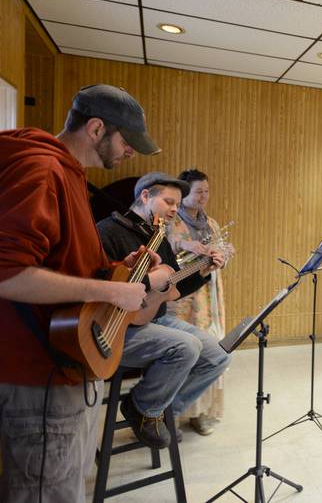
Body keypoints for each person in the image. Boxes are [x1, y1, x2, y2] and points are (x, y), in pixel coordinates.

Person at [0, 84, 161, 502]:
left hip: (61, 361)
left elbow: (61, 265)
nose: (131, 153)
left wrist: (115, 272)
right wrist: (109, 291)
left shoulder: (68, 174)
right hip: (36, 369)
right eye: (127, 142)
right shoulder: (40, 170)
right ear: (96, 128)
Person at [96, 172, 231, 449]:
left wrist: (205, 269)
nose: (174, 209)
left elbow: (172, 285)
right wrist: (146, 281)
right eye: (169, 202)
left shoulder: (156, 234)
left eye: (177, 203)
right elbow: (98, 285)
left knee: (218, 356)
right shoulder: (108, 232)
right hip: (118, 328)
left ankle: (162, 409)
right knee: (187, 347)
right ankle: (143, 406)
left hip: (152, 320)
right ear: (145, 196)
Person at [165, 169, 229, 436]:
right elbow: (171, 246)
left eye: (207, 190)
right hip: (182, 298)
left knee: (212, 347)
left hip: (208, 295)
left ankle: (202, 413)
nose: (204, 196)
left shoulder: (211, 223)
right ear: (184, 194)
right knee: (185, 354)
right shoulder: (172, 222)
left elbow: (223, 248)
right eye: (198, 191)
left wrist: (222, 256)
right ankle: (172, 415)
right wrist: (188, 246)